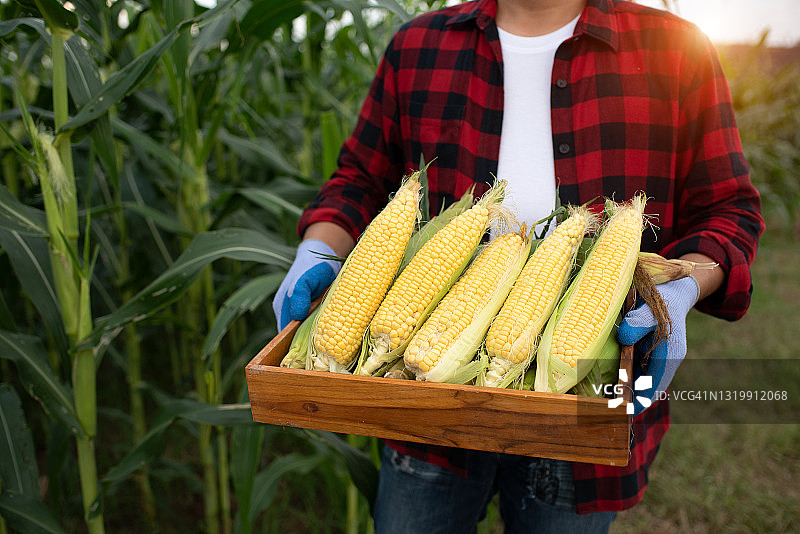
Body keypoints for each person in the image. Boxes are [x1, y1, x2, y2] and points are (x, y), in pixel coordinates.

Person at [272, 0, 765, 532]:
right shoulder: (418, 45)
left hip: (580, 417)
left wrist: (686, 287)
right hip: (420, 397)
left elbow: (727, 210)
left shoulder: (676, 49)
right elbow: (358, 181)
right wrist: (319, 249)